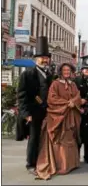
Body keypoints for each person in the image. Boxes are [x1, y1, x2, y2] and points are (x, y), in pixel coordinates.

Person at [35, 63, 82, 180]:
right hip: (59, 117)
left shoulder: (74, 84)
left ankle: (72, 164)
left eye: (69, 70)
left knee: (70, 138)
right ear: (60, 72)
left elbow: (78, 96)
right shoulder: (55, 84)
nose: (67, 72)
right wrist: (67, 103)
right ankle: (61, 165)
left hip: (70, 116)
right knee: (60, 140)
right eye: (65, 70)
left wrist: (74, 102)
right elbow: (52, 98)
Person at [17, 36, 53, 175]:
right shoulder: (27, 74)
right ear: (35, 59)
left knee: (44, 138)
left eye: (46, 57)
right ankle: (30, 164)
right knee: (34, 138)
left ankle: (42, 161)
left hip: (47, 112)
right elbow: (21, 96)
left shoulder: (49, 73)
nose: (44, 60)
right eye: (41, 58)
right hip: (33, 113)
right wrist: (26, 114)